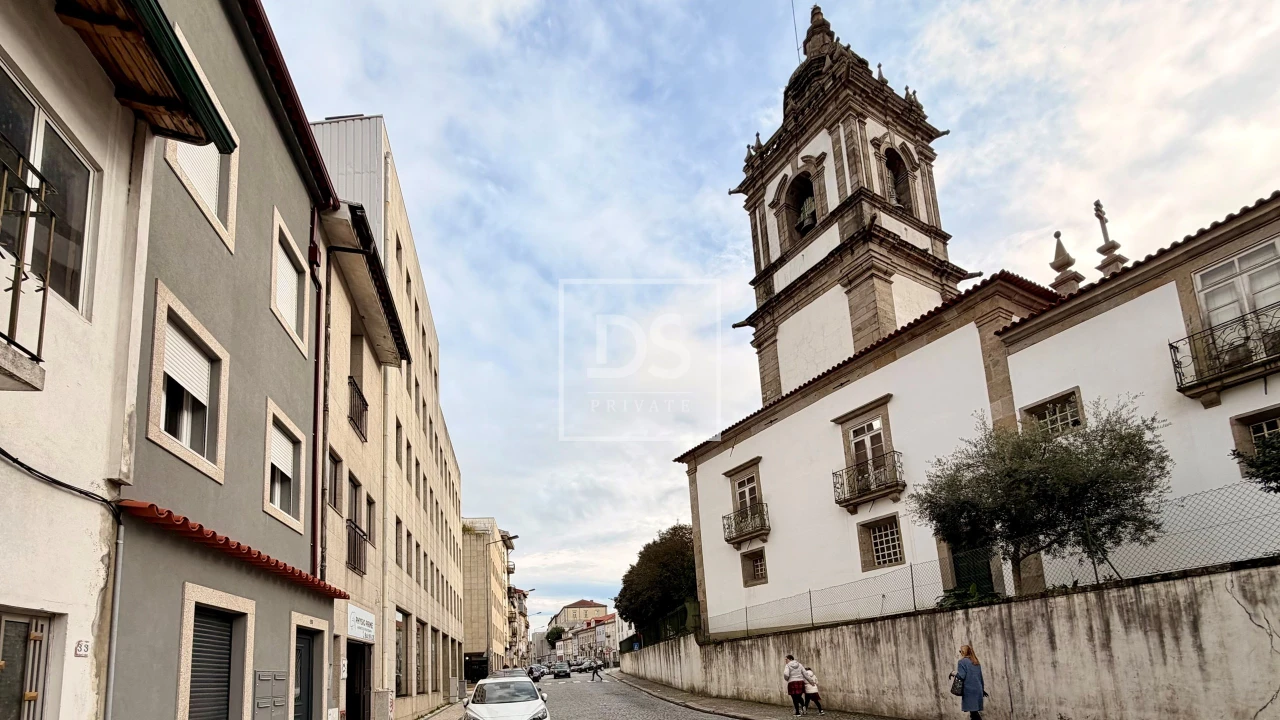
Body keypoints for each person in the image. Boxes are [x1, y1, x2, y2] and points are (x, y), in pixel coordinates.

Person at [952, 645, 988, 720]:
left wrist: (953, 673)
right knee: (973, 713)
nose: (960, 653)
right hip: (978, 689)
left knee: (974, 713)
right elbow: (980, 677)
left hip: (969, 690)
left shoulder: (961, 662)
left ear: (963, 652)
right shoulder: (976, 662)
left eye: (960, 651)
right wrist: (982, 690)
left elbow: (961, 676)